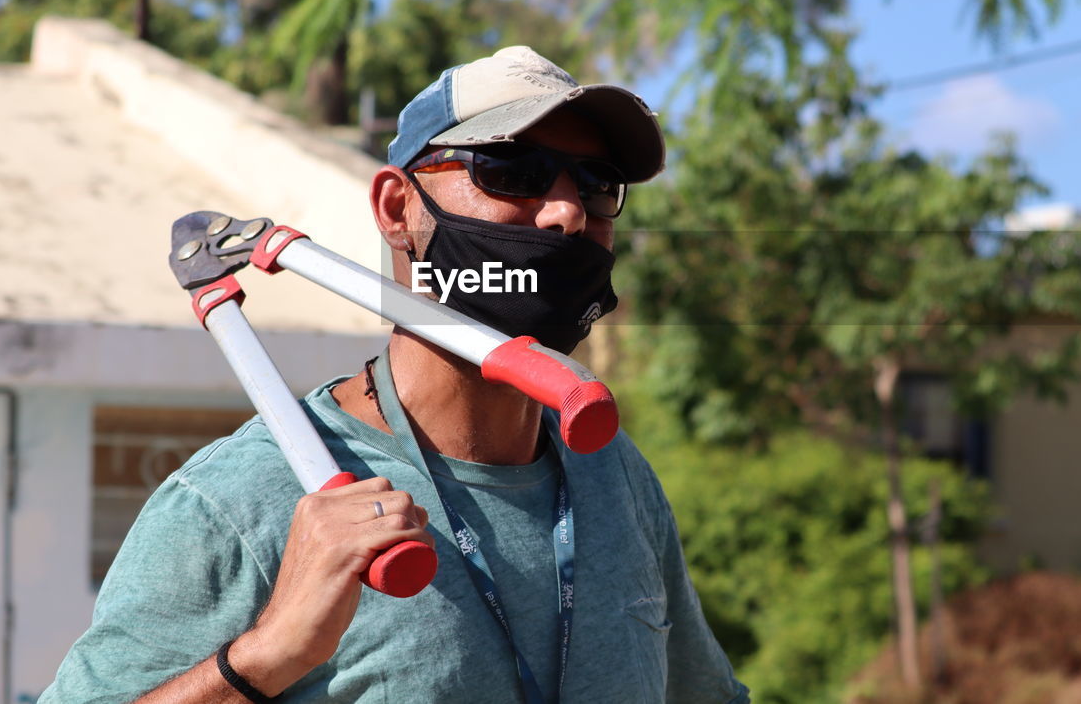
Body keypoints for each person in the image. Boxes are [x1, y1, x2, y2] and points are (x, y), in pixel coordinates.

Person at [39, 46, 750, 703]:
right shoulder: (244, 498)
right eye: (512, 172)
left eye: (597, 186)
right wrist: (267, 655)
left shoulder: (613, 478)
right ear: (395, 208)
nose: (566, 212)